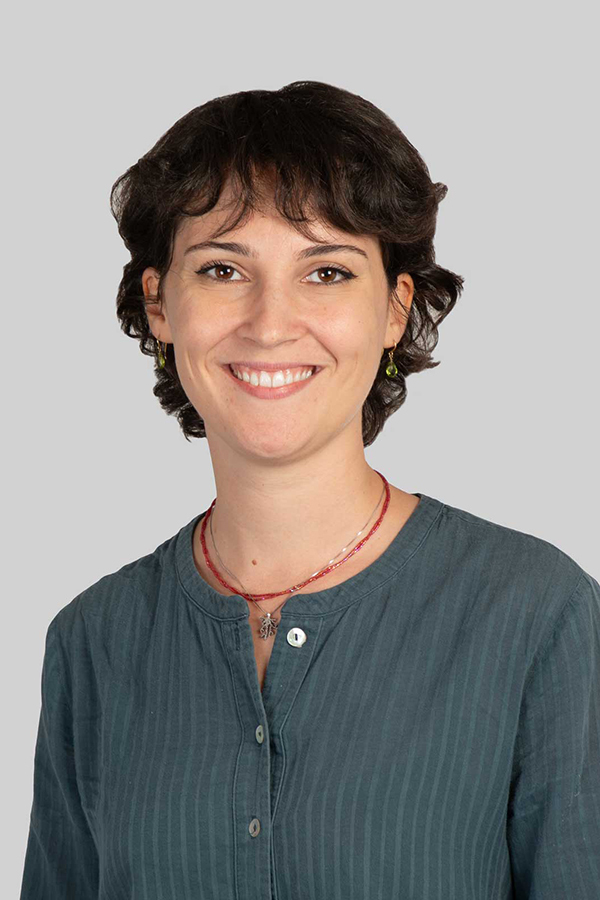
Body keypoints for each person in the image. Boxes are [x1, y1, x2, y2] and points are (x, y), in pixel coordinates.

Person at [20, 81, 599, 899]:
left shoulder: (537, 616)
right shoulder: (92, 644)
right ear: (159, 304)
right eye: (223, 269)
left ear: (395, 308)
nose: (270, 323)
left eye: (326, 272)